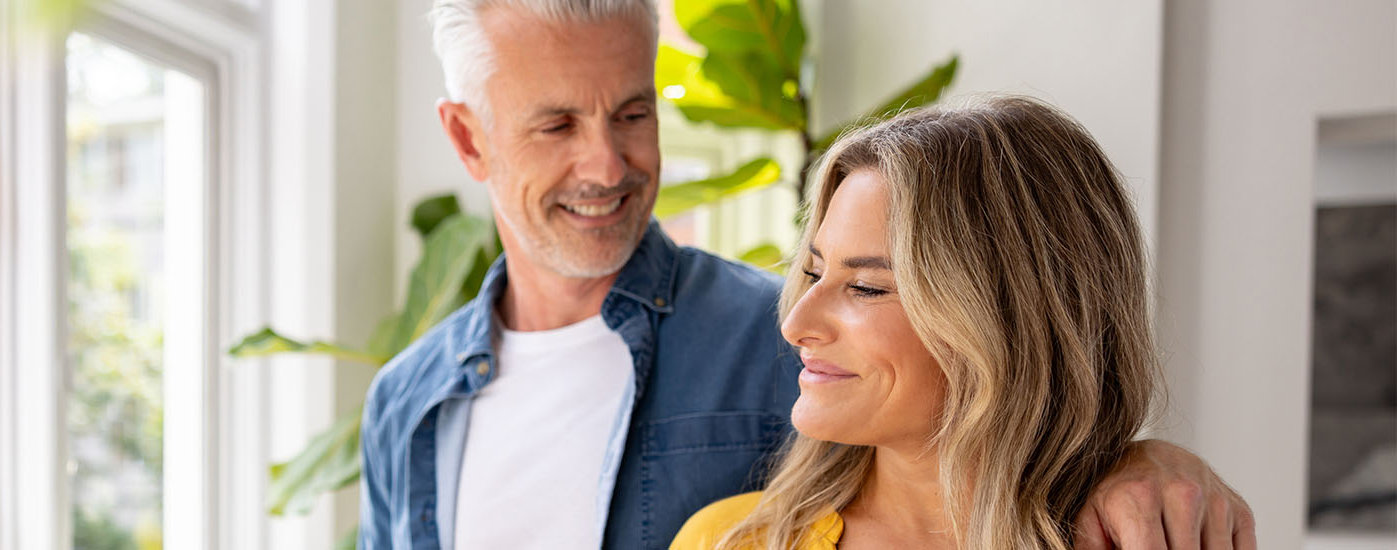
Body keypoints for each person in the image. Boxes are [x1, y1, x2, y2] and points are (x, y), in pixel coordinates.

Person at [360, 1, 1253, 548]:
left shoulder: (774, 340)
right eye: (556, 126)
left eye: (634, 112)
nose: (608, 164)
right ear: (468, 137)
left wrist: (1132, 464)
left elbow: (999, 427)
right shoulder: (405, 406)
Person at [668, 96, 1254, 550]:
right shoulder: (729, 541)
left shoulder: (1150, 531)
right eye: (815, 272)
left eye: (867, 286)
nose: (796, 323)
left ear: (1008, 322)